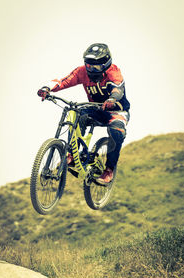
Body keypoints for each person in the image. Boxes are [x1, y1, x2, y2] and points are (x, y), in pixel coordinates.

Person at [37, 43, 130, 185]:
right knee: (77, 114)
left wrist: (112, 99)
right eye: (88, 65)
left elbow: (117, 89)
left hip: (116, 111)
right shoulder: (82, 72)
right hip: (95, 110)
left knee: (116, 131)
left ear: (106, 64)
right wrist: (47, 88)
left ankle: (109, 169)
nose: (91, 70)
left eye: (96, 67)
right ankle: (73, 154)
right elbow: (64, 81)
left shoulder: (114, 72)